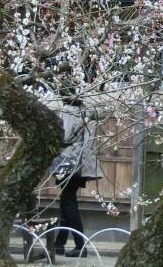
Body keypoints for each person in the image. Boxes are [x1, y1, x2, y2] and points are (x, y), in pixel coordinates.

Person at [49, 97, 102, 258]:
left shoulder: (68, 112)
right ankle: (60, 243)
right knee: (66, 201)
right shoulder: (85, 112)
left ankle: (80, 245)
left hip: (68, 161)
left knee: (69, 202)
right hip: (79, 162)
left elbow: (64, 137)